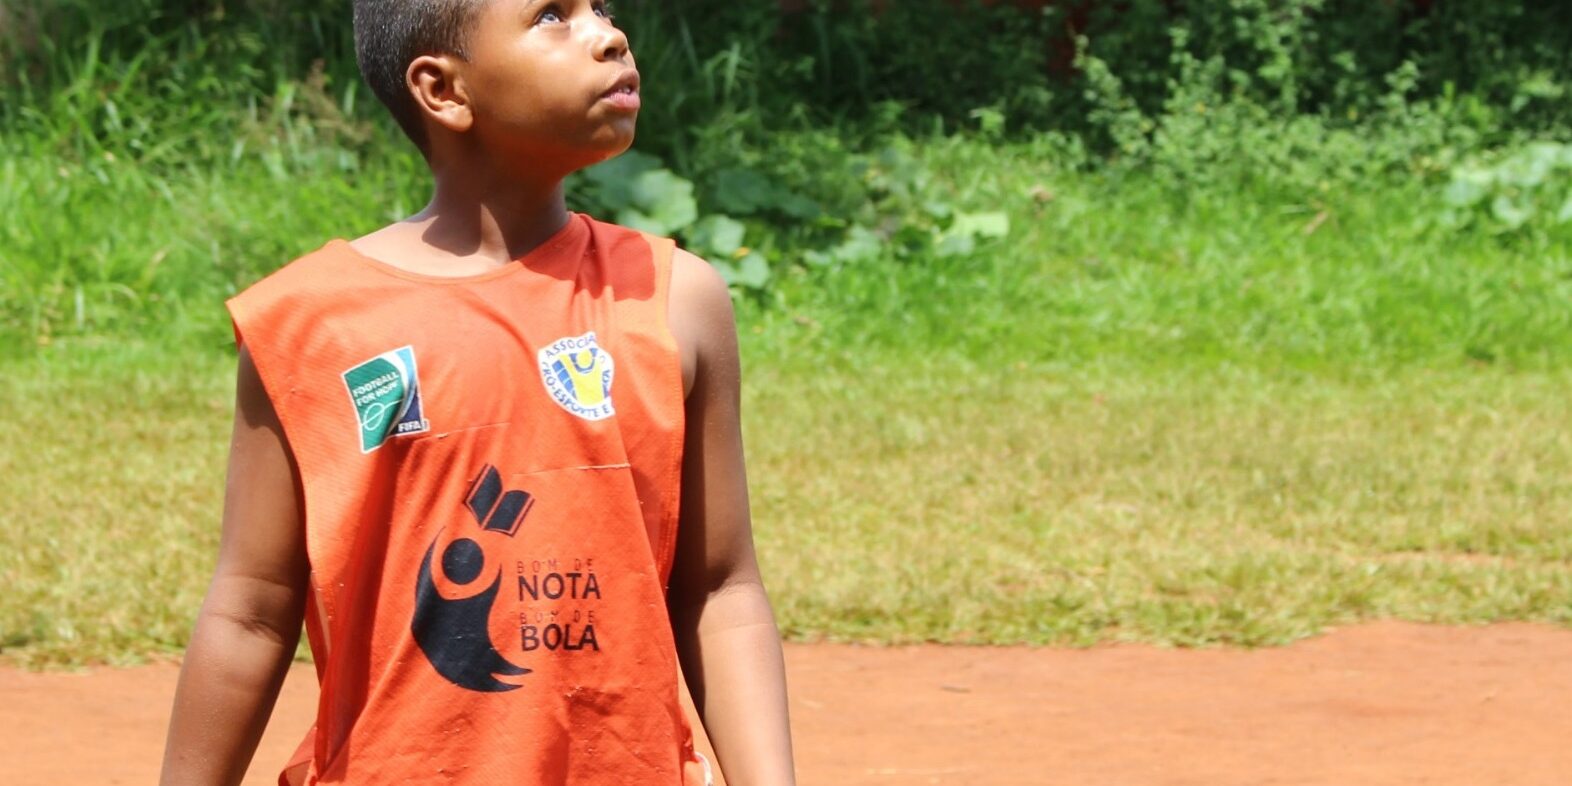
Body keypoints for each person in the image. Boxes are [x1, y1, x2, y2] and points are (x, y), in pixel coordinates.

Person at [158, 1, 797, 783]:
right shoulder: (306, 323)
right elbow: (251, 609)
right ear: (443, 90)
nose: (610, 35)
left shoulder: (674, 300)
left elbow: (719, 589)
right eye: (553, 17)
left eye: (601, 9)